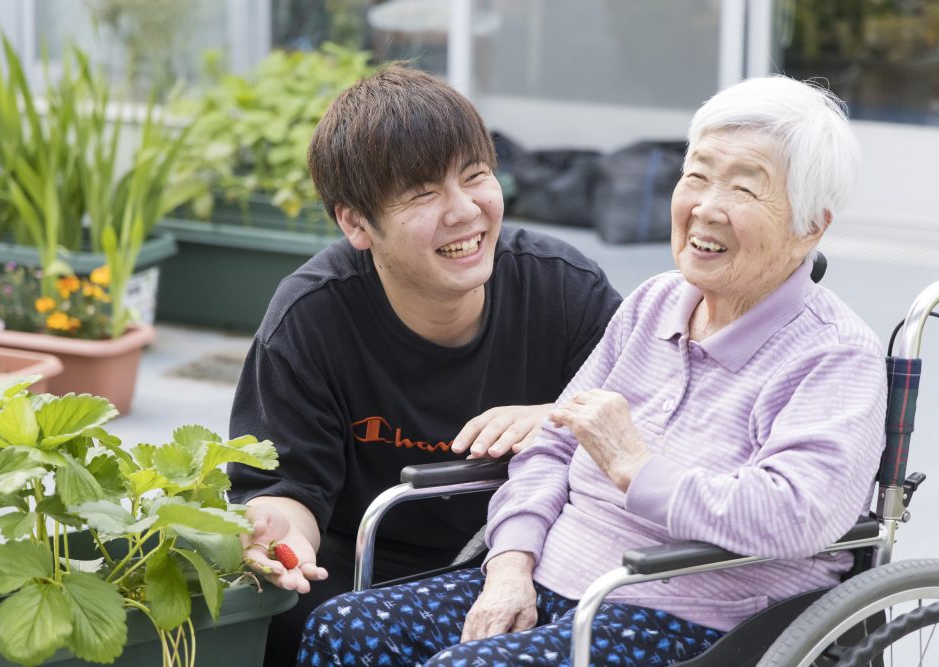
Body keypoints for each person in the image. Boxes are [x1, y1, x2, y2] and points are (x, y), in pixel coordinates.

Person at [296, 75, 887, 666]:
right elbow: (550, 448)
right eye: (697, 176)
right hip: (554, 582)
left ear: (811, 226)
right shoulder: (655, 303)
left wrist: (637, 467)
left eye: (744, 189)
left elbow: (798, 517)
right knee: (343, 628)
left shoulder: (832, 356)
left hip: (694, 615)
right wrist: (510, 565)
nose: (707, 207)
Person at [227, 65, 623, 666]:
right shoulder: (311, 317)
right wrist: (276, 538)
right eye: (422, 194)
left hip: (532, 556)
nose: (464, 211)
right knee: (291, 622)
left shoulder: (565, 289)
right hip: (368, 564)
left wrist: (560, 415)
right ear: (356, 222)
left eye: (476, 177)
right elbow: (286, 489)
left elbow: (656, 417)